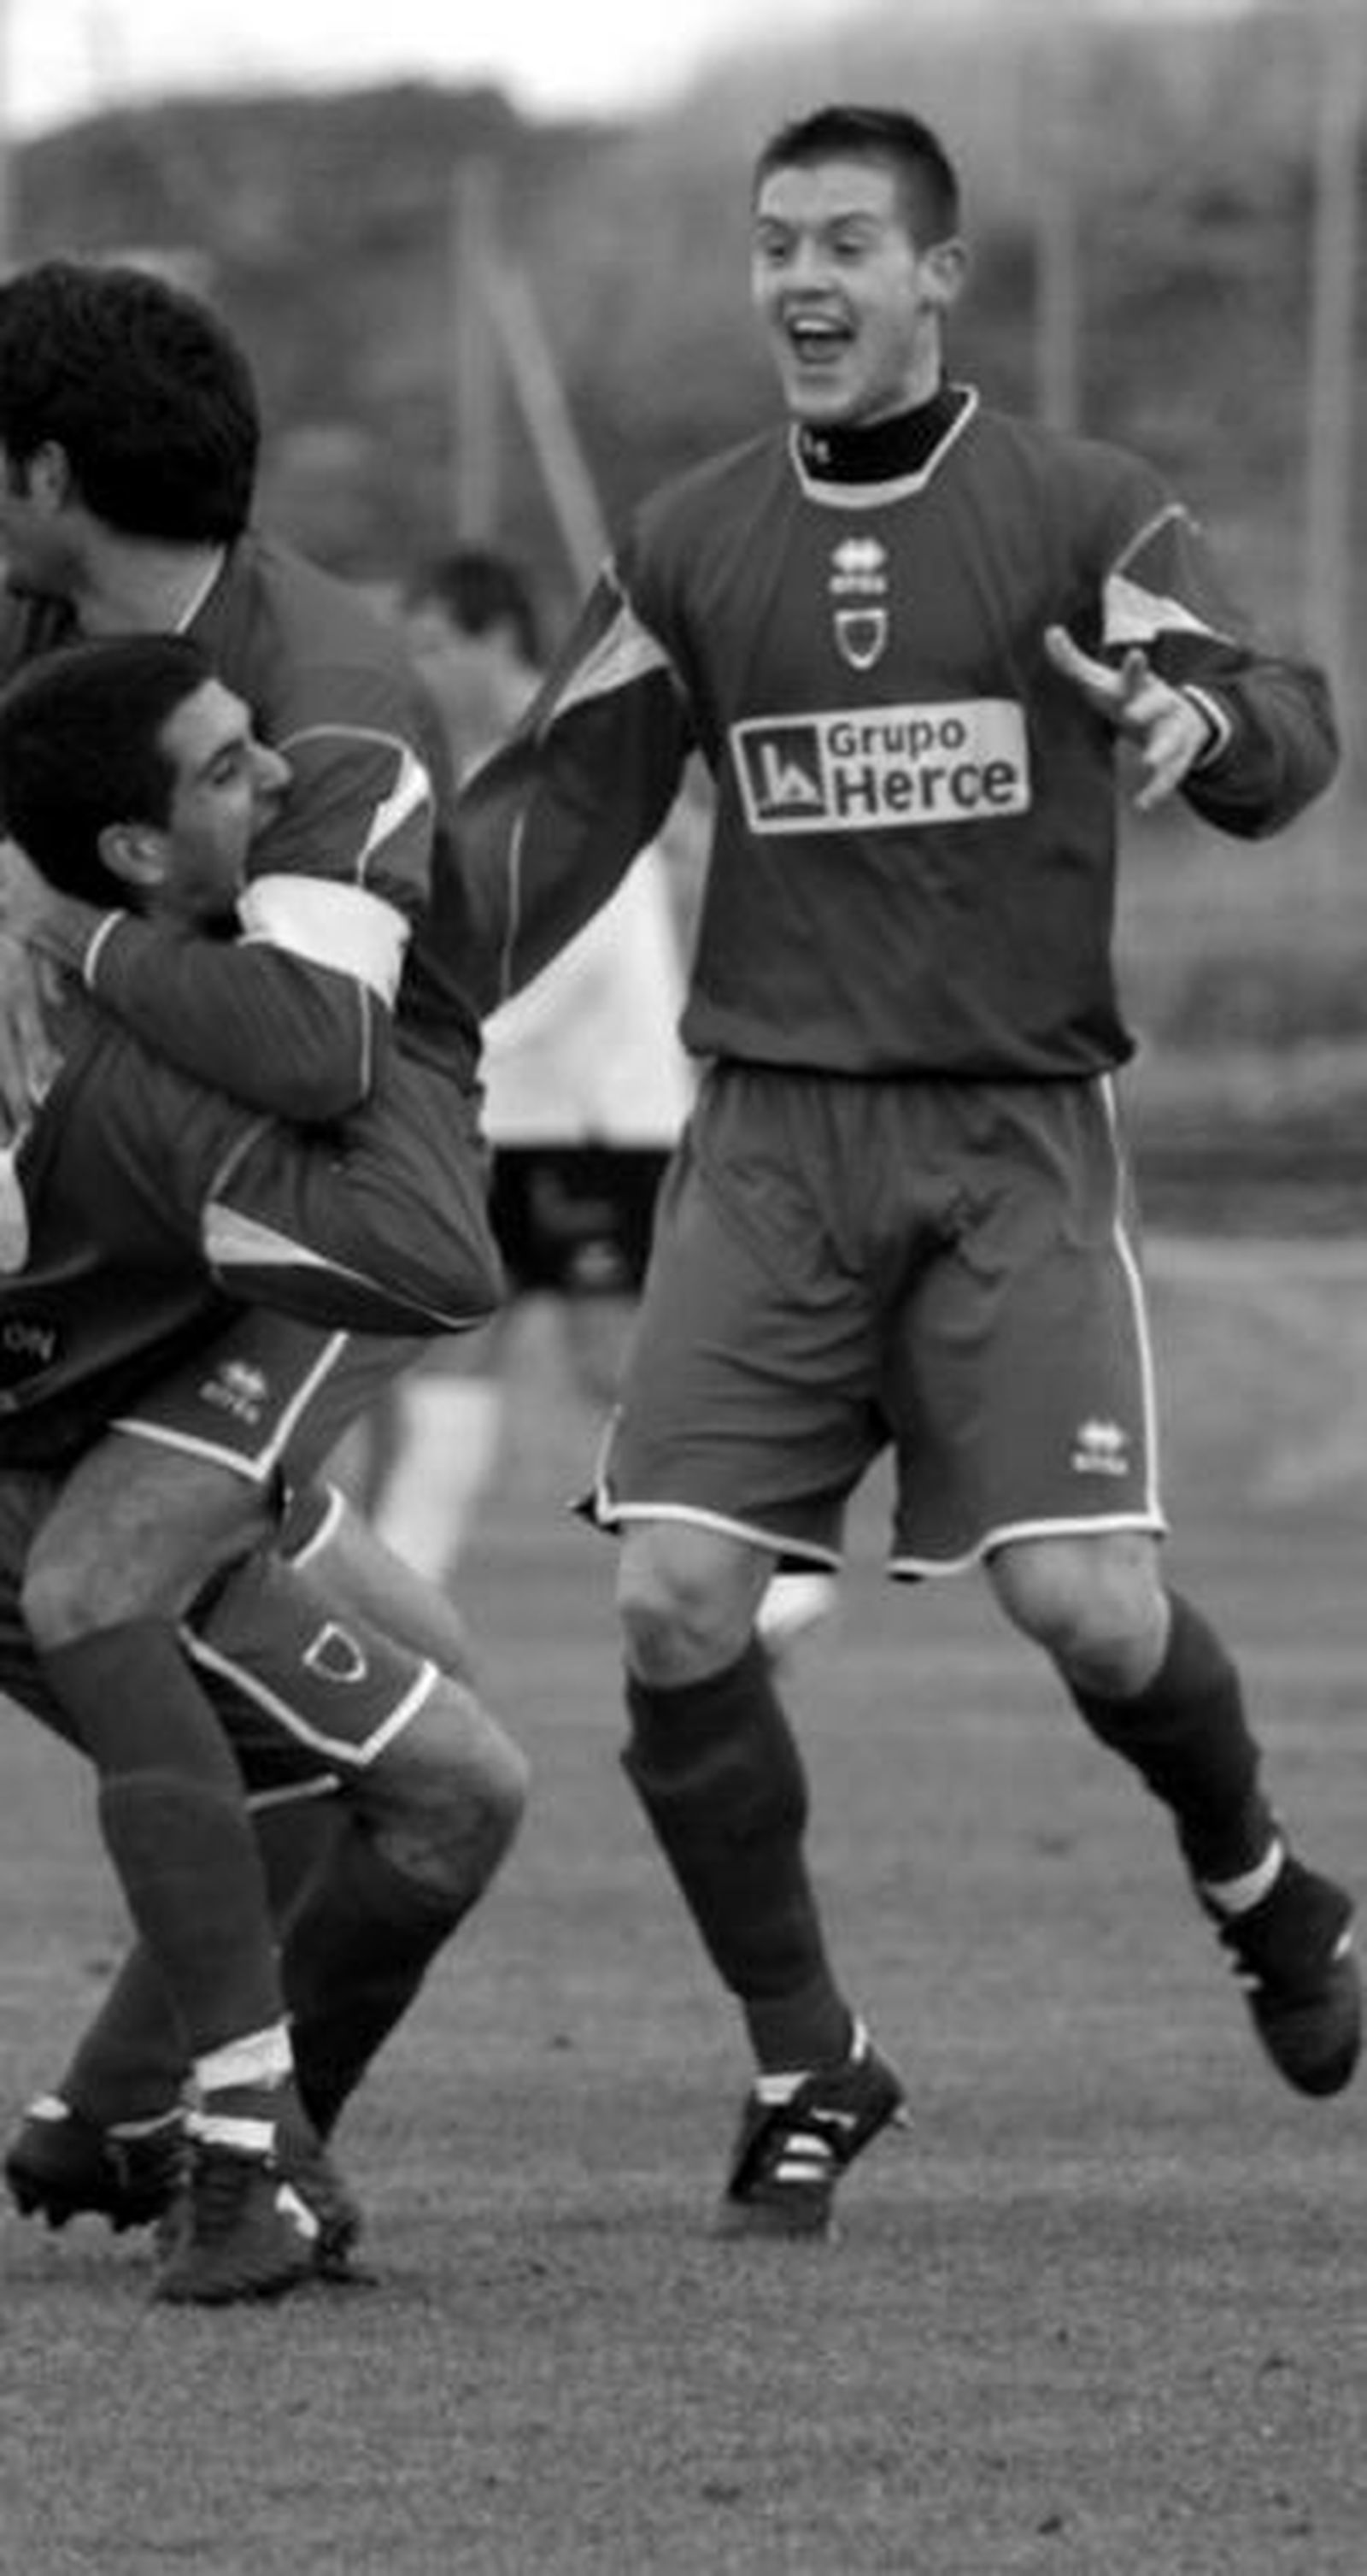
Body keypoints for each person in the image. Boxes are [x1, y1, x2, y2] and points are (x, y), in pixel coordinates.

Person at [455, 104, 1357, 2238]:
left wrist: (1194, 732)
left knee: (1084, 1602)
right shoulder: (683, 543)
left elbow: (1281, 713)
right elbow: (535, 833)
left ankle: (1258, 1875)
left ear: (938, 275)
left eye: (849, 242)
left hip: (1001, 1135)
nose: (802, 278)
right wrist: (347, 984)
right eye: (775, 242)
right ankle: (805, 2055)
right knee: (674, 1601)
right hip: (767, 1136)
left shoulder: (1080, 511)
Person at [0, 256, 498, 2253]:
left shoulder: (329, 682)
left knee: (416, 1745)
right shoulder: (44, 634)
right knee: (416, 1731)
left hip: (305, 1209)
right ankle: (204, 2142)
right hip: (122, 1243)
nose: (258, 780)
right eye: (219, 780)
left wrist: (79, 943)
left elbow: (316, 1053)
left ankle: (174, 2126)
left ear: (40, 474)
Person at [353, 544, 694, 1590]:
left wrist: (410, 1046)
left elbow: (566, 950)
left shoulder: (570, 756)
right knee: (454, 1346)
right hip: (490, 1118)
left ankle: (747, 1571)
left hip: (606, 1121)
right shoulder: (452, 772)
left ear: (496, 640)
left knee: (618, 1361)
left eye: (433, 643)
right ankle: (398, 1596)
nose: (420, 668)